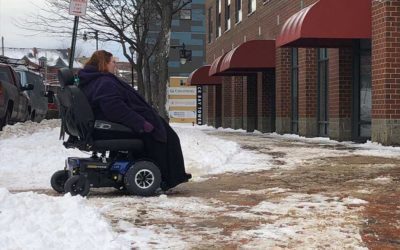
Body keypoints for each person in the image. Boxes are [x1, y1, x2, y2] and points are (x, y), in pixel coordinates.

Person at [78, 50, 191, 191]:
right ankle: (167, 177)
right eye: (113, 62)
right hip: (113, 126)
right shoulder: (104, 82)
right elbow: (115, 109)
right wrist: (141, 123)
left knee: (164, 131)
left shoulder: (93, 80)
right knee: (164, 137)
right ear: (104, 63)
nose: (115, 65)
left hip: (108, 125)